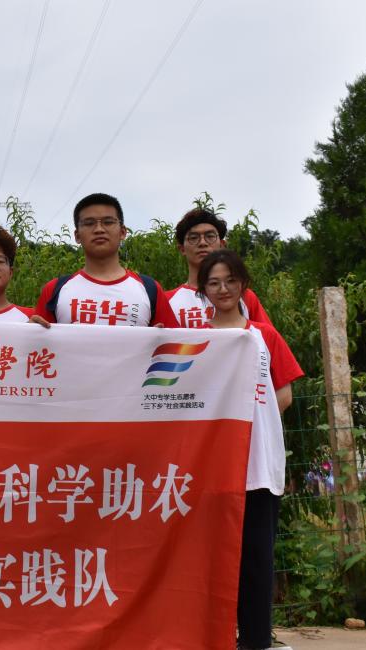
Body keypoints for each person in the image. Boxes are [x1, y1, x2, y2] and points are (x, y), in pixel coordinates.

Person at [197, 249, 301, 650]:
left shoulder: (264, 335)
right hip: (210, 465)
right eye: (213, 282)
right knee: (213, 556)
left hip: (257, 462)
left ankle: (255, 640)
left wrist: (250, 421)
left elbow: (284, 394)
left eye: (230, 281)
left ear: (243, 285)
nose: (223, 289)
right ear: (203, 290)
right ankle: (215, 636)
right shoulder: (196, 339)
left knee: (257, 556)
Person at [31, 193, 178, 328]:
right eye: (89, 223)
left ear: (122, 232)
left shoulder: (150, 289)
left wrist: (161, 341)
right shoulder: (55, 290)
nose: (99, 229)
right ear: (77, 236)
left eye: (108, 222)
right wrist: (29, 332)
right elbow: (36, 345)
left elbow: (177, 345)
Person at [167, 207, 272, 328]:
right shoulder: (167, 301)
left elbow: (265, 337)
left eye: (210, 236)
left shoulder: (243, 296)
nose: (202, 243)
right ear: (182, 249)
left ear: (222, 244)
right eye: (194, 238)